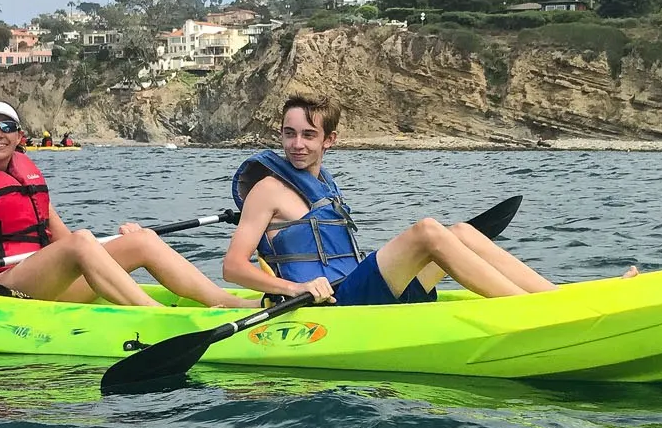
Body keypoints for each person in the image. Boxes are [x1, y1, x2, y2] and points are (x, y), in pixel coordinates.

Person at [223, 95, 636, 307]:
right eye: (289, 133)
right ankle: (542, 313)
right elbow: (233, 267)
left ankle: (562, 301)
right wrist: (294, 287)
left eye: (308, 135)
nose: (296, 144)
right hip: (331, 303)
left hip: (356, 293)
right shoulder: (268, 190)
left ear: (329, 140)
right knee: (427, 232)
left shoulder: (325, 185)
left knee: (461, 232)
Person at [0, 101, 259, 308]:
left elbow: (67, 242)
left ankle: (228, 303)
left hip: (41, 282)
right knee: (83, 241)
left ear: (19, 137)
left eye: (6, 126)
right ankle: (157, 317)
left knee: (143, 239)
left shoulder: (27, 179)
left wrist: (120, 246)